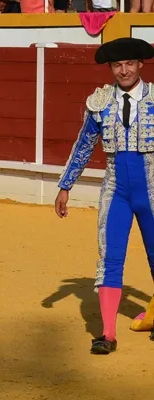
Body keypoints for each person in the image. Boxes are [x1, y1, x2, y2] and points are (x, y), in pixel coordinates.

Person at [54, 37, 154, 355]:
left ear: (140, 64)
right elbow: (84, 145)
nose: (124, 70)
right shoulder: (100, 102)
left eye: (129, 64)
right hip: (115, 192)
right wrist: (65, 185)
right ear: (111, 68)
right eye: (117, 65)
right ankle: (108, 334)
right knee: (110, 258)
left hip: (152, 190)